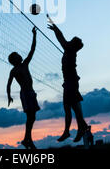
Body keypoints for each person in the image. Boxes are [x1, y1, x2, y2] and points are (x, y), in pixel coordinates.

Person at [47, 14, 88, 142]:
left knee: (69, 107)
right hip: (70, 82)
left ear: (73, 44)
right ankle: (80, 128)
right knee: (73, 108)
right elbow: (61, 38)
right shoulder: (69, 50)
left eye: (72, 40)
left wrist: (54, 25)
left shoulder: (69, 49)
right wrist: (54, 27)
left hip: (71, 82)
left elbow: (61, 38)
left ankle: (70, 131)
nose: (69, 40)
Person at [7, 26, 40, 149]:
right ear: (14, 60)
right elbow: (8, 84)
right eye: (17, 56)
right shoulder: (15, 69)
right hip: (26, 94)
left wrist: (34, 35)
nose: (19, 56)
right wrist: (9, 95)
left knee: (33, 117)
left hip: (30, 92)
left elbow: (32, 49)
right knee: (30, 117)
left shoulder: (24, 64)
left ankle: (27, 139)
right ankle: (28, 140)